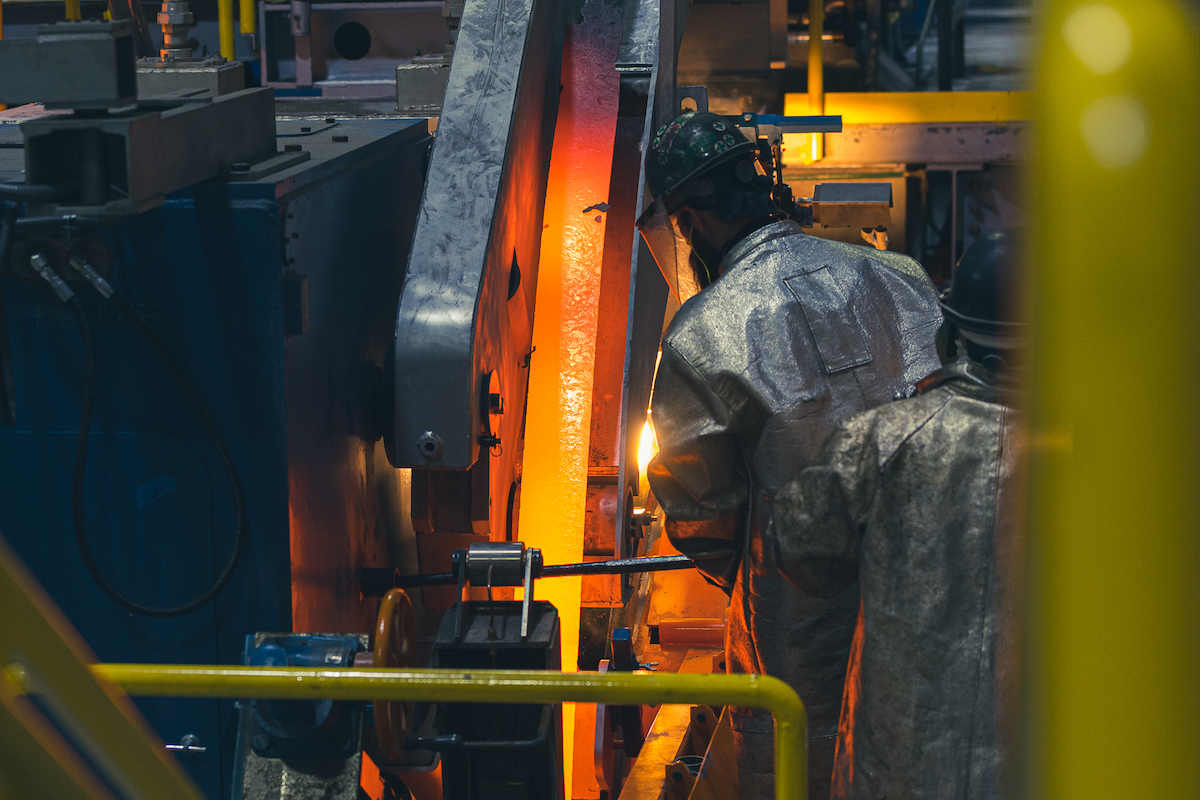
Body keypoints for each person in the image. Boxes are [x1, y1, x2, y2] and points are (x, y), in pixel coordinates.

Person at [639, 111, 944, 799]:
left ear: (688, 222)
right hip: (927, 577)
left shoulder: (702, 333)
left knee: (799, 756)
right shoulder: (898, 278)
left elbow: (702, 511)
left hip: (798, 608)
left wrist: (763, 559)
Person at [771, 230, 1025, 800]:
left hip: (901, 768)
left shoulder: (885, 438)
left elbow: (797, 549)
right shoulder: (1114, 461)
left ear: (950, 331)